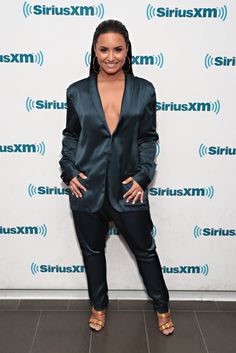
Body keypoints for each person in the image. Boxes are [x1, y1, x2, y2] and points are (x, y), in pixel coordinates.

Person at [59, 19, 175, 336]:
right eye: (104, 49)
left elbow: (147, 139)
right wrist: (69, 172)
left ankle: (162, 306)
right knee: (93, 252)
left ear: (127, 51)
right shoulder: (77, 92)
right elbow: (71, 137)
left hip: (129, 190)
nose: (111, 56)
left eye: (118, 49)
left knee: (145, 251)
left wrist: (143, 175)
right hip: (87, 189)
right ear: (94, 52)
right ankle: (99, 306)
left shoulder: (144, 90)